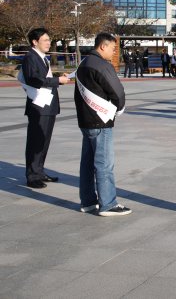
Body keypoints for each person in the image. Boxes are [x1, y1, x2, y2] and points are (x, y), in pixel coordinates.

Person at [74, 33, 131, 216]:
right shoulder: (102, 65)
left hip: (86, 120)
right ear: (102, 46)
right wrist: (119, 109)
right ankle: (108, 203)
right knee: (104, 163)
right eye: (113, 49)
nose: (114, 52)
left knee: (87, 163)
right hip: (100, 121)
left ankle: (88, 201)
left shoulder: (84, 63)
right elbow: (118, 92)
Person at [20, 28, 70, 189]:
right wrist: (57, 81)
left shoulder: (42, 58)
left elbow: (43, 78)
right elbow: (33, 79)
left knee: (44, 141)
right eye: (45, 40)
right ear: (35, 42)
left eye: (49, 39)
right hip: (38, 106)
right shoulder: (30, 57)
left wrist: (57, 79)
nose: (49, 43)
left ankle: (39, 171)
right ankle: (32, 175)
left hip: (48, 105)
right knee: (36, 141)